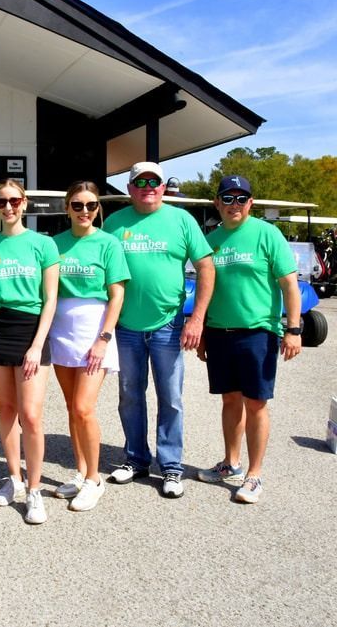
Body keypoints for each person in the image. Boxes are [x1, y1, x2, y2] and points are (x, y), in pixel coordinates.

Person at [103, 161, 214, 498]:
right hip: (126, 326)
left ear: (163, 187)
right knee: (130, 396)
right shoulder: (114, 223)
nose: (148, 186)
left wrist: (197, 319)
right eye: (141, 182)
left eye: (154, 181)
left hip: (168, 324)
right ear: (130, 187)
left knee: (172, 398)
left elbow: (206, 267)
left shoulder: (181, 220)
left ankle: (171, 467)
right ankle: (136, 459)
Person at [196, 175, 301, 503]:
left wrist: (293, 329)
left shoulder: (267, 234)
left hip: (258, 331)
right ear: (217, 203)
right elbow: (205, 290)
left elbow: (289, 285)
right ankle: (231, 463)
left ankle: (254, 475)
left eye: (241, 199)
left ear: (251, 203)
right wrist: (201, 331)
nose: (234, 205)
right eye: (227, 199)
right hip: (219, 331)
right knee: (229, 399)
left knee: (255, 403)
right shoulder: (210, 240)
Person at [0, 178, 59, 525]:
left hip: (31, 331)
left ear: (24, 203)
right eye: (0, 202)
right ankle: (14, 479)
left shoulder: (43, 245)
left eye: (13, 200)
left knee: (32, 415)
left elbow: (51, 298)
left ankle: (35, 490)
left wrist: (37, 345)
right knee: (7, 410)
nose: (7, 207)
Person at [49, 181, 129, 511]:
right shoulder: (54, 244)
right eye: (78, 205)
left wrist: (104, 337)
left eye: (91, 205)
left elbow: (117, 294)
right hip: (61, 334)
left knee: (84, 408)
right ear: (67, 208)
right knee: (71, 408)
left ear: (99, 209)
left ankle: (95, 480)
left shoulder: (108, 244)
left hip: (94, 334)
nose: (85, 211)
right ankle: (81, 472)